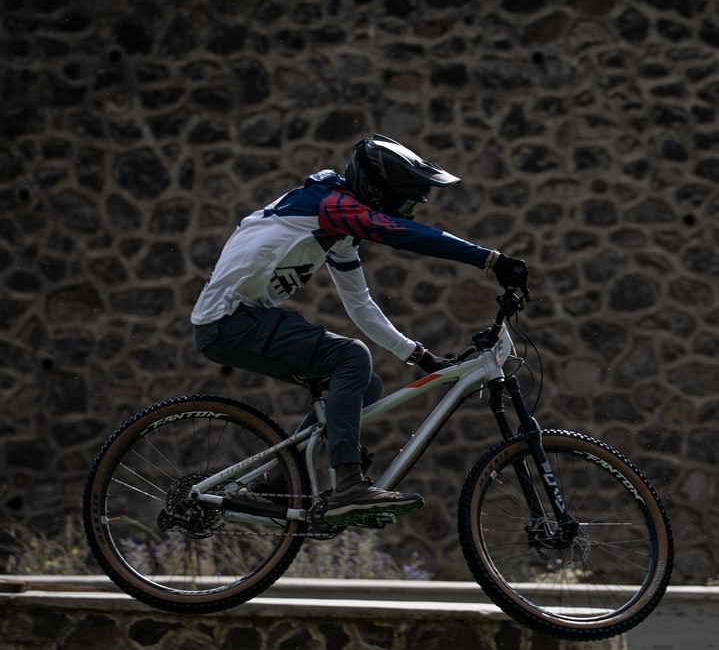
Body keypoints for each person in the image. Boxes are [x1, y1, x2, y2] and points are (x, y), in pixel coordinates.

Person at [190, 134, 529, 526]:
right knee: (350, 356)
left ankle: (281, 479)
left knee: (365, 383)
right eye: (405, 202)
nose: (407, 213)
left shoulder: (338, 229)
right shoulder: (330, 205)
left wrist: (418, 355)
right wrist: (489, 259)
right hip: (229, 321)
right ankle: (348, 485)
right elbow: (402, 234)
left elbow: (360, 304)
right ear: (377, 190)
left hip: (239, 321)